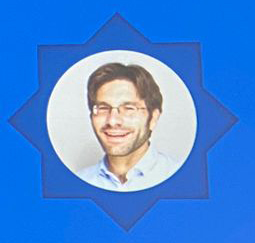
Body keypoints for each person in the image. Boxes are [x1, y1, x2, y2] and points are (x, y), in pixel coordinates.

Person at [74, 61, 179, 191]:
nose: (112, 121)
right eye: (103, 108)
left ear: (153, 118)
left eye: (129, 108)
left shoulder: (179, 178)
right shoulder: (76, 183)